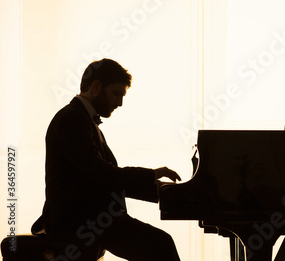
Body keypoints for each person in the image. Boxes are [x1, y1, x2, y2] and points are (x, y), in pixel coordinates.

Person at [32, 58, 182, 260]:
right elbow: (101, 174)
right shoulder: (72, 119)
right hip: (79, 221)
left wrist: (157, 189)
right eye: (117, 93)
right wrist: (152, 177)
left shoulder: (81, 119)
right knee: (160, 245)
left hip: (92, 218)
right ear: (96, 86)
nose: (120, 103)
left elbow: (105, 177)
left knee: (159, 245)